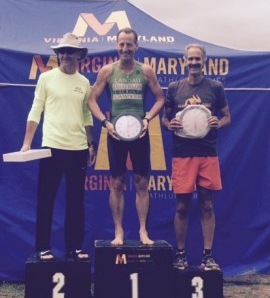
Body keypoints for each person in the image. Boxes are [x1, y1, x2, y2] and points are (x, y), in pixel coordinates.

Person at [21, 33, 96, 261]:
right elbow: (36, 109)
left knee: (76, 201)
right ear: (58, 54)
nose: (65, 55)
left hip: (78, 148)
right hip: (51, 147)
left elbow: (86, 115)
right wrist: (26, 143)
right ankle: (43, 247)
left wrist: (90, 143)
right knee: (46, 199)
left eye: (70, 51)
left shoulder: (84, 83)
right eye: (62, 51)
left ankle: (74, 247)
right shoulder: (46, 78)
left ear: (78, 55)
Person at [88, 27, 165, 246]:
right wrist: (105, 122)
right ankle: (118, 232)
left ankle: (143, 231)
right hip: (115, 134)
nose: (125, 48)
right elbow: (92, 99)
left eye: (129, 44)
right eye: (121, 44)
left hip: (140, 133)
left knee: (141, 182)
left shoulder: (146, 71)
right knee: (116, 183)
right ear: (116, 46)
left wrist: (148, 118)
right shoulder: (108, 71)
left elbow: (160, 98)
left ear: (136, 46)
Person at [162, 43, 231, 270]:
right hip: (182, 154)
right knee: (182, 207)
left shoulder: (215, 87)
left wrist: (217, 123)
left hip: (207, 153)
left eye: (197, 59)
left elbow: (226, 117)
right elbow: (165, 119)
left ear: (204, 61)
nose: (193, 63)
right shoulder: (174, 88)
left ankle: (207, 256)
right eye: (190, 59)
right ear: (185, 61)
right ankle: (180, 255)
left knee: (207, 205)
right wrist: (169, 125)